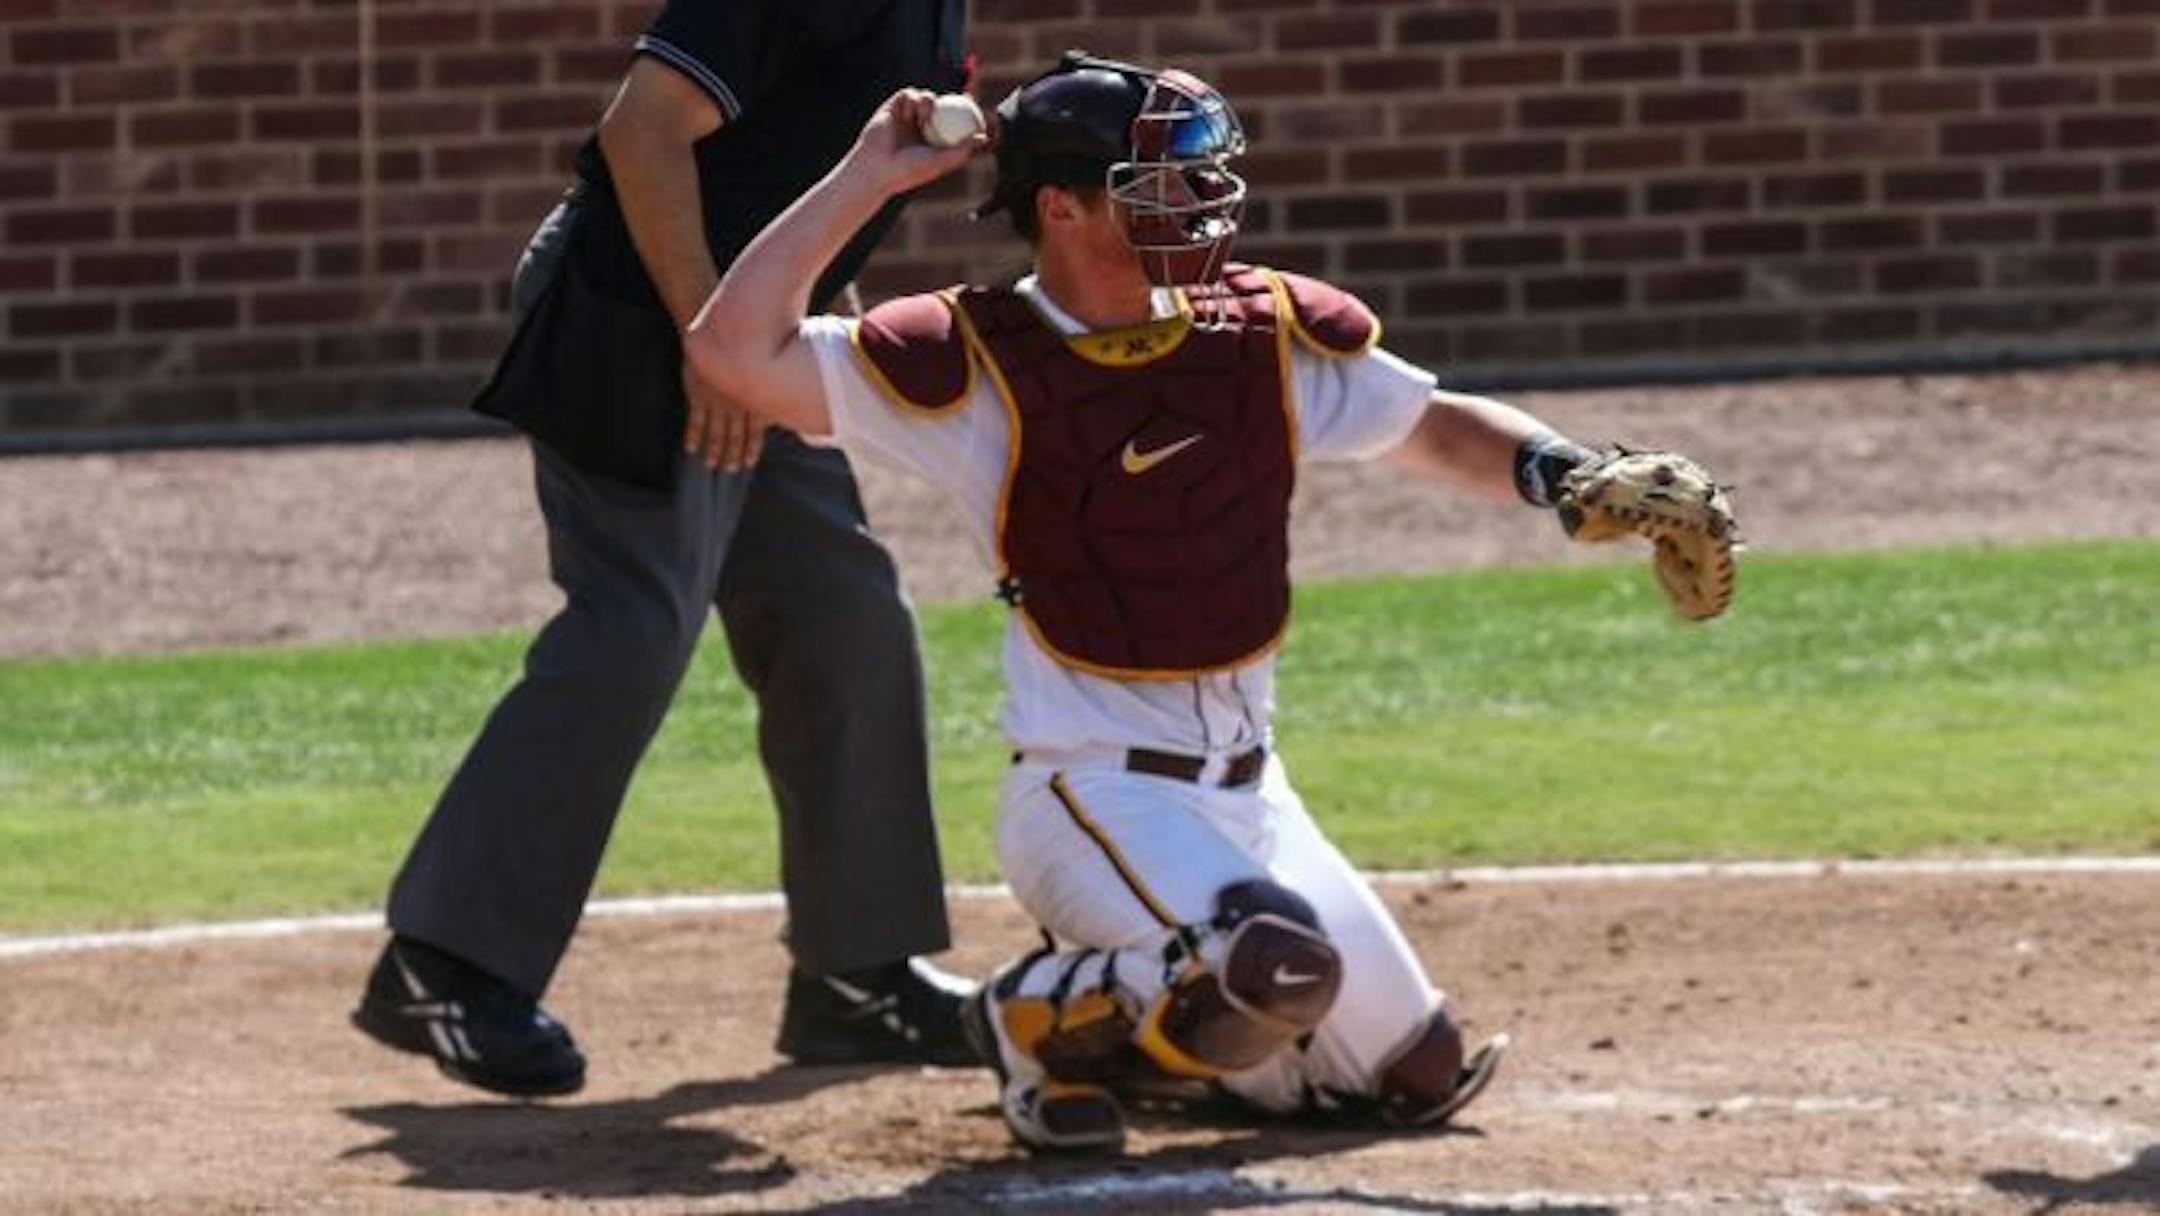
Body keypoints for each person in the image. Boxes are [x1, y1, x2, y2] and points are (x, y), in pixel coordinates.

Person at [686, 52, 1725, 1151]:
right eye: (1158, 184)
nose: (1197, 204)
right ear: (1063, 207)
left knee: (1411, 1074)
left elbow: (1426, 422)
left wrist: (1567, 476)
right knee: (1275, 968)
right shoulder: (981, 364)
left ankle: (1154, 1035)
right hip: (1090, 796)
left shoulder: (1252, 334)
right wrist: (863, 179)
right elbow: (730, 351)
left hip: (1252, 797)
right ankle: (1028, 1018)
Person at [349, 0, 980, 1099]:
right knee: (635, 621)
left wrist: (807, 336)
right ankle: (443, 960)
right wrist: (708, 339)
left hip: (755, 327)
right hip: (645, 311)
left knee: (843, 612)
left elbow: (799, 167)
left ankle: (855, 975)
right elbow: (643, 130)